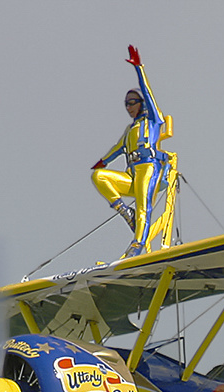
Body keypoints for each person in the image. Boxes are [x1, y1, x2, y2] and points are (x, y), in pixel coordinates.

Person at [91, 45, 170, 257]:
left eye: (132, 103)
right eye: (126, 104)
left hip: (148, 167)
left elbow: (148, 92)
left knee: (145, 205)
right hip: (132, 172)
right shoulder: (130, 130)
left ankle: (138, 244)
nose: (129, 107)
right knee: (99, 177)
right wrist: (102, 162)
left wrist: (139, 69)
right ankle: (126, 213)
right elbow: (117, 148)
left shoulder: (152, 120)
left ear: (141, 104)